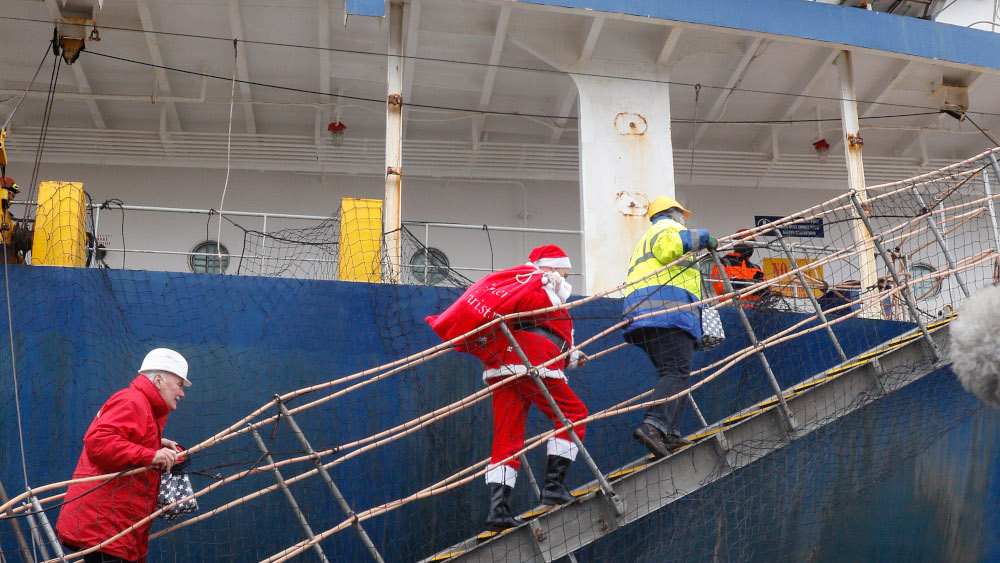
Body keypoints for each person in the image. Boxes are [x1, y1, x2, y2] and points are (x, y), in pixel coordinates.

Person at [428, 244, 589, 533]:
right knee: (574, 413)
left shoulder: (541, 292)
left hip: (505, 364)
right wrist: (544, 284)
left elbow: (544, 330)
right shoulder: (538, 288)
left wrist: (571, 356)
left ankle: (498, 512)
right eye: (564, 274)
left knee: (508, 437)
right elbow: (531, 318)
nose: (566, 280)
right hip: (532, 361)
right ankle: (553, 487)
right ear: (551, 268)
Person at [56, 348, 191, 563]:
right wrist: (151, 455)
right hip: (106, 527)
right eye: (180, 385)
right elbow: (98, 443)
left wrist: (155, 445)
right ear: (158, 380)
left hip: (113, 529)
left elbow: (119, 441)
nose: (182, 393)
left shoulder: (142, 405)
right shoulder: (133, 401)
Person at [623, 196, 716, 458]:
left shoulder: (646, 238)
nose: (684, 219)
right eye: (682, 215)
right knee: (676, 370)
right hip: (667, 312)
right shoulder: (667, 227)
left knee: (676, 372)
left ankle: (669, 433)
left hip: (645, 315)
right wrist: (704, 237)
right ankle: (653, 426)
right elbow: (669, 249)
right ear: (672, 213)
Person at [710, 228, 765, 303]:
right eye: (749, 243)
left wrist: (759, 287)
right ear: (739, 244)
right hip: (729, 307)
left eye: (752, 245)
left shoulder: (756, 268)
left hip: (754, 308)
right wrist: (748, 284)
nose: (751, 247)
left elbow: (766, 291)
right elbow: (720, 287)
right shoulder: (722, 263)